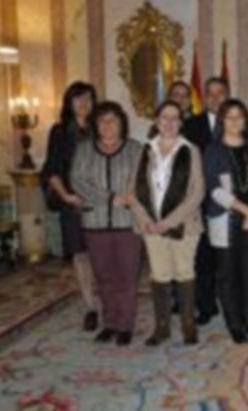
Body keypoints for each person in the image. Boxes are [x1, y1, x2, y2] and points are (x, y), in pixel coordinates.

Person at [130, 101, 205, 346]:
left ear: (181, 122)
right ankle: (162, 327)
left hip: (185, 225)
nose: (169, 123)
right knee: (159, 274)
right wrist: (147, 220)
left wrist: (168, 222)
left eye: (175, 118)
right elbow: (133, 191)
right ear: (156, 121)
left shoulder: (190, 150)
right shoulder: (144, 150)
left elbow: (197, 193)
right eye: (164, 117)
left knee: (184, 272)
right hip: (151, 226)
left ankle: (188, 325)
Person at [70, 101, 143, 345]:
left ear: (122, 124)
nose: (108, 125)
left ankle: (125, 325)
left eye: (113, 120)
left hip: (128, 224)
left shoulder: (136, 149)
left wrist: (130, 196)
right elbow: (78, 181)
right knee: (104, 277)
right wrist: (111, 198)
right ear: (96, 126)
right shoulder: (84, 150)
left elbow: (141, 181)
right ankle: (110, 322)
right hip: (95, 223)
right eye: (103, 121)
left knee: (127, 276)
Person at [204, 99, 248, 343]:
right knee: (228, 274)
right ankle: (235, 324)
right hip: (225, 218)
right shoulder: (213, 150)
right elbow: (214, 188)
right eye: (229, 116)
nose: (234, 121)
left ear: (246, 120)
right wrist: (245, 210)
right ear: (222, 121)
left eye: (239, 116)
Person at [41, 81, 100, 332]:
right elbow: (53, 169)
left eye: (88, 98)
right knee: (81, 254)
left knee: (102, 254)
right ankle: (91, 307)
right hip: (73, 202)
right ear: (69, 102)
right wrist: (66, 196)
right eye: (78, 98)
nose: (83, 103)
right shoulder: (60, 131)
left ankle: (108, 299)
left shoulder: (102, 128)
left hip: (101, 203)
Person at [182, 77, 229, 326]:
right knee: (202, 259)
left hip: (231, 204)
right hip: (199, 203)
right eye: (209, 93)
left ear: (227, 95)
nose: (215, 98)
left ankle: (232, 304)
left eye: (220, 93)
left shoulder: (241, 122)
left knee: (229, 260)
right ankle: (206, 306)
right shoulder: (190, 126)